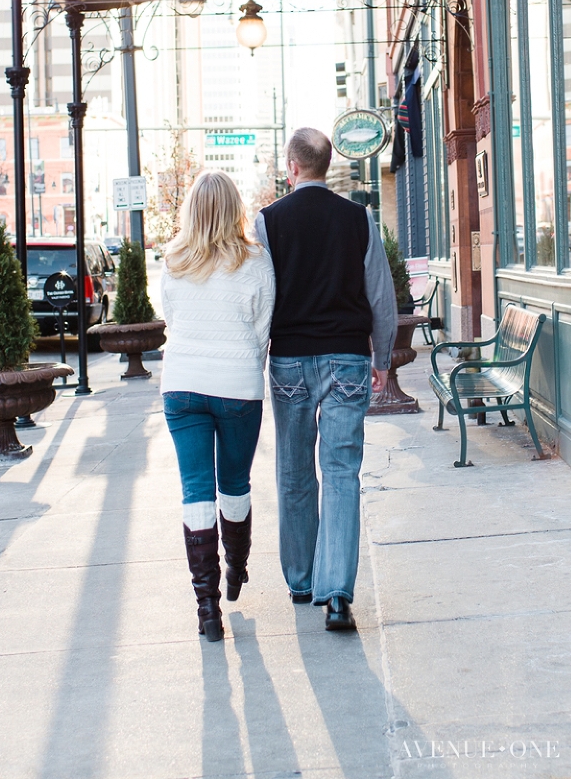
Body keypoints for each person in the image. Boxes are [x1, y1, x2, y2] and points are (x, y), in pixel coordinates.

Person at [255, 127, 396, 632]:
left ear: (292, 167)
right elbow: (380, 294)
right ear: (327, 165)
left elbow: (260, 298)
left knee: (294, 472)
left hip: (289, 360)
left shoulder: (268, 221)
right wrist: (383, 356)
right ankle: (336, 595)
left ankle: (301, 580)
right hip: (347, 359)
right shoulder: (358, 219)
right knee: (340, 473)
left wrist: (254, 359)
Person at [161, 171, 275, 642]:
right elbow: (263, 328)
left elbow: (172, 319)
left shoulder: (173, 260)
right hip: (237, 386)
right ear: (235, 208)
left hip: (182, 386)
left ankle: (206, 606)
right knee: (234, 483)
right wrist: (245, 365)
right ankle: (236, 567)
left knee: (196, 491)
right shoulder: (256, 261)